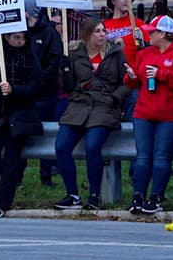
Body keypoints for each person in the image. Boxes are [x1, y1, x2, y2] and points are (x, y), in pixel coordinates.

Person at [54, 17, 134, 211]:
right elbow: (67, 86)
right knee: (62, 146)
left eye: (103, 31)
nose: (102, 35)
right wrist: (64, 69)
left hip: (104, 106)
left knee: (92, 146)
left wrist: (115, 98)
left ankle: (94, 195)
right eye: (97, 31)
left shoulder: (115, 53)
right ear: (87, 34)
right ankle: (72, 194)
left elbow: (127, 81)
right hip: (79, 105)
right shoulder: (75, 54)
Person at [128, 15, 173, 215]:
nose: (149, 34)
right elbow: (135, 80)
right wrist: (131, 77)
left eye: (153, 31)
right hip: (144, 112)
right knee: (142, 157)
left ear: (164, 34)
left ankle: (156, 196)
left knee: (161, 156)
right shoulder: (145, 53)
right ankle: (138, 195)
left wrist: (162, 75)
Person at [0, 31, 44, 218]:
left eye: (22, 38)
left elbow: (36, 86)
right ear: (6, 38)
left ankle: (2, 202)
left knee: (11, 163)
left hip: (19, 116)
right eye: (16, 38)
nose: (20, 41)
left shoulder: (29, 58)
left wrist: (15, 90)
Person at [23, 0, 64, 187]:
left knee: (46, 133)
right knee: (21, 135)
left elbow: (54, 61)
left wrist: (39, 81)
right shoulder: (19, 32)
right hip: (24, 94)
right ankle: (17, 177)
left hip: (45, 93)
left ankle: (46, 175)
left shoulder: (49, 33)